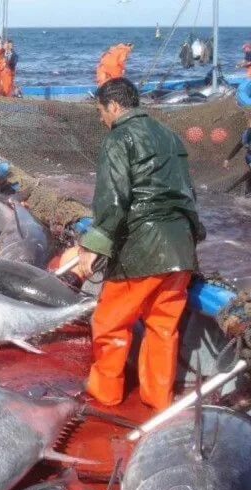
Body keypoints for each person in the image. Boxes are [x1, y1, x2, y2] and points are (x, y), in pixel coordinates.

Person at [78, 78, 204, 412]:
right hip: (180, 249)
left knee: (110, 323)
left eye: (101, 111)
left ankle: (106, 394)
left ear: (114, 106)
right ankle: (158, 399)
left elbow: (114, 199)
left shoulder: (118, 137)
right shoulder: (170, 136)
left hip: (140, 248)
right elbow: (187, 193)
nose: (101, 118)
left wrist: (94, 245)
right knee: (163, 327)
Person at [223, 118, 251, 196]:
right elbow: (238, 146)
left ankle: (246, 191)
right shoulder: (248, 133)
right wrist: (227, 159)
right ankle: (247, 194)